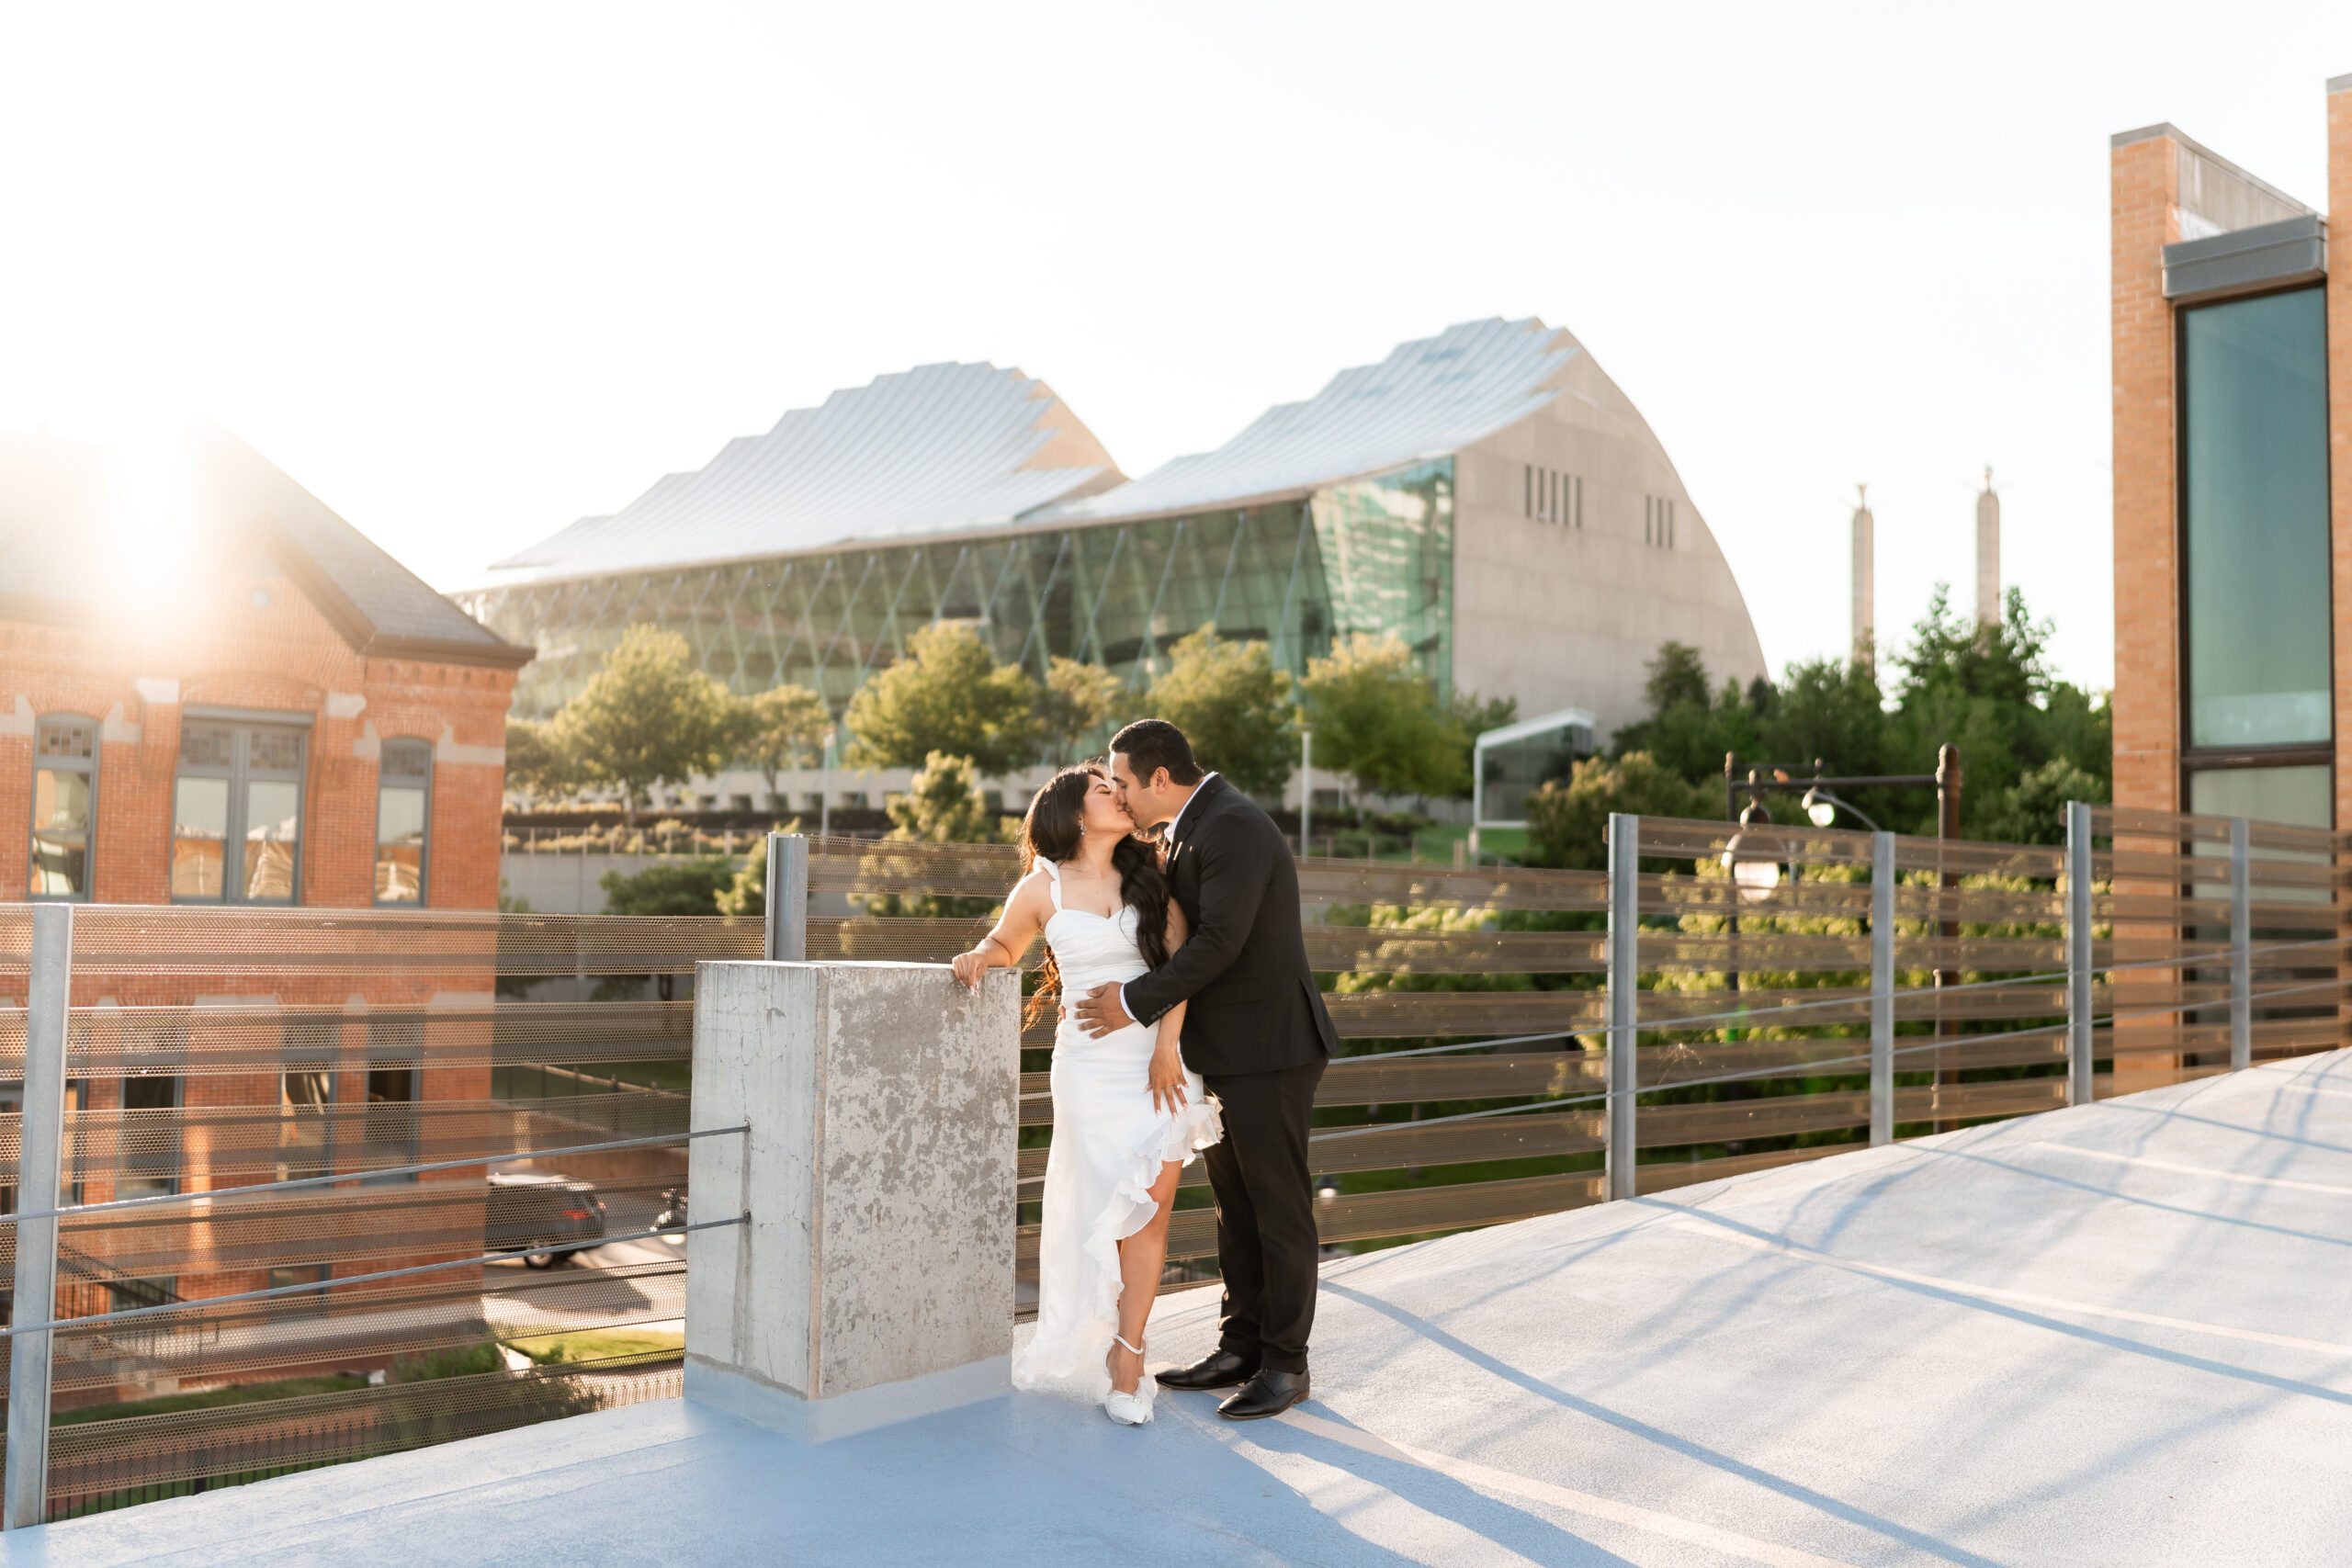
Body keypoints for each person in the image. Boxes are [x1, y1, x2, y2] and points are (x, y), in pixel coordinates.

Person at [1070, 718, 1337, 1422]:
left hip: (1272, 1051)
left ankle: (1286, 1365)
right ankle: (1240, 1346)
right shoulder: (1190, 827)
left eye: (1123, 782)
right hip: (1225, 1055)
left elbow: (1220, 940)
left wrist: (1131, 1002)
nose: (1119, 795)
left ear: (1160, 777)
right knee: (1237, 1208)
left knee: (1278, 1210)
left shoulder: (1234, 827)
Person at [953, 763, 1222, 1427]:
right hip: (1088, 1071)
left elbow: (1180, 966)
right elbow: (1006, 944)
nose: (1119, 793)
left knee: (1151, 1215)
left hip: (1159, 1060)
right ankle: (1105, 1336)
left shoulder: (1150, 875)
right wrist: (977, 957)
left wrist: (1167, 1048)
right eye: (1105, 788)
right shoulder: (1040, 886)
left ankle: (1128, 1358)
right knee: (1106, 1208)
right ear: (1075, 812)